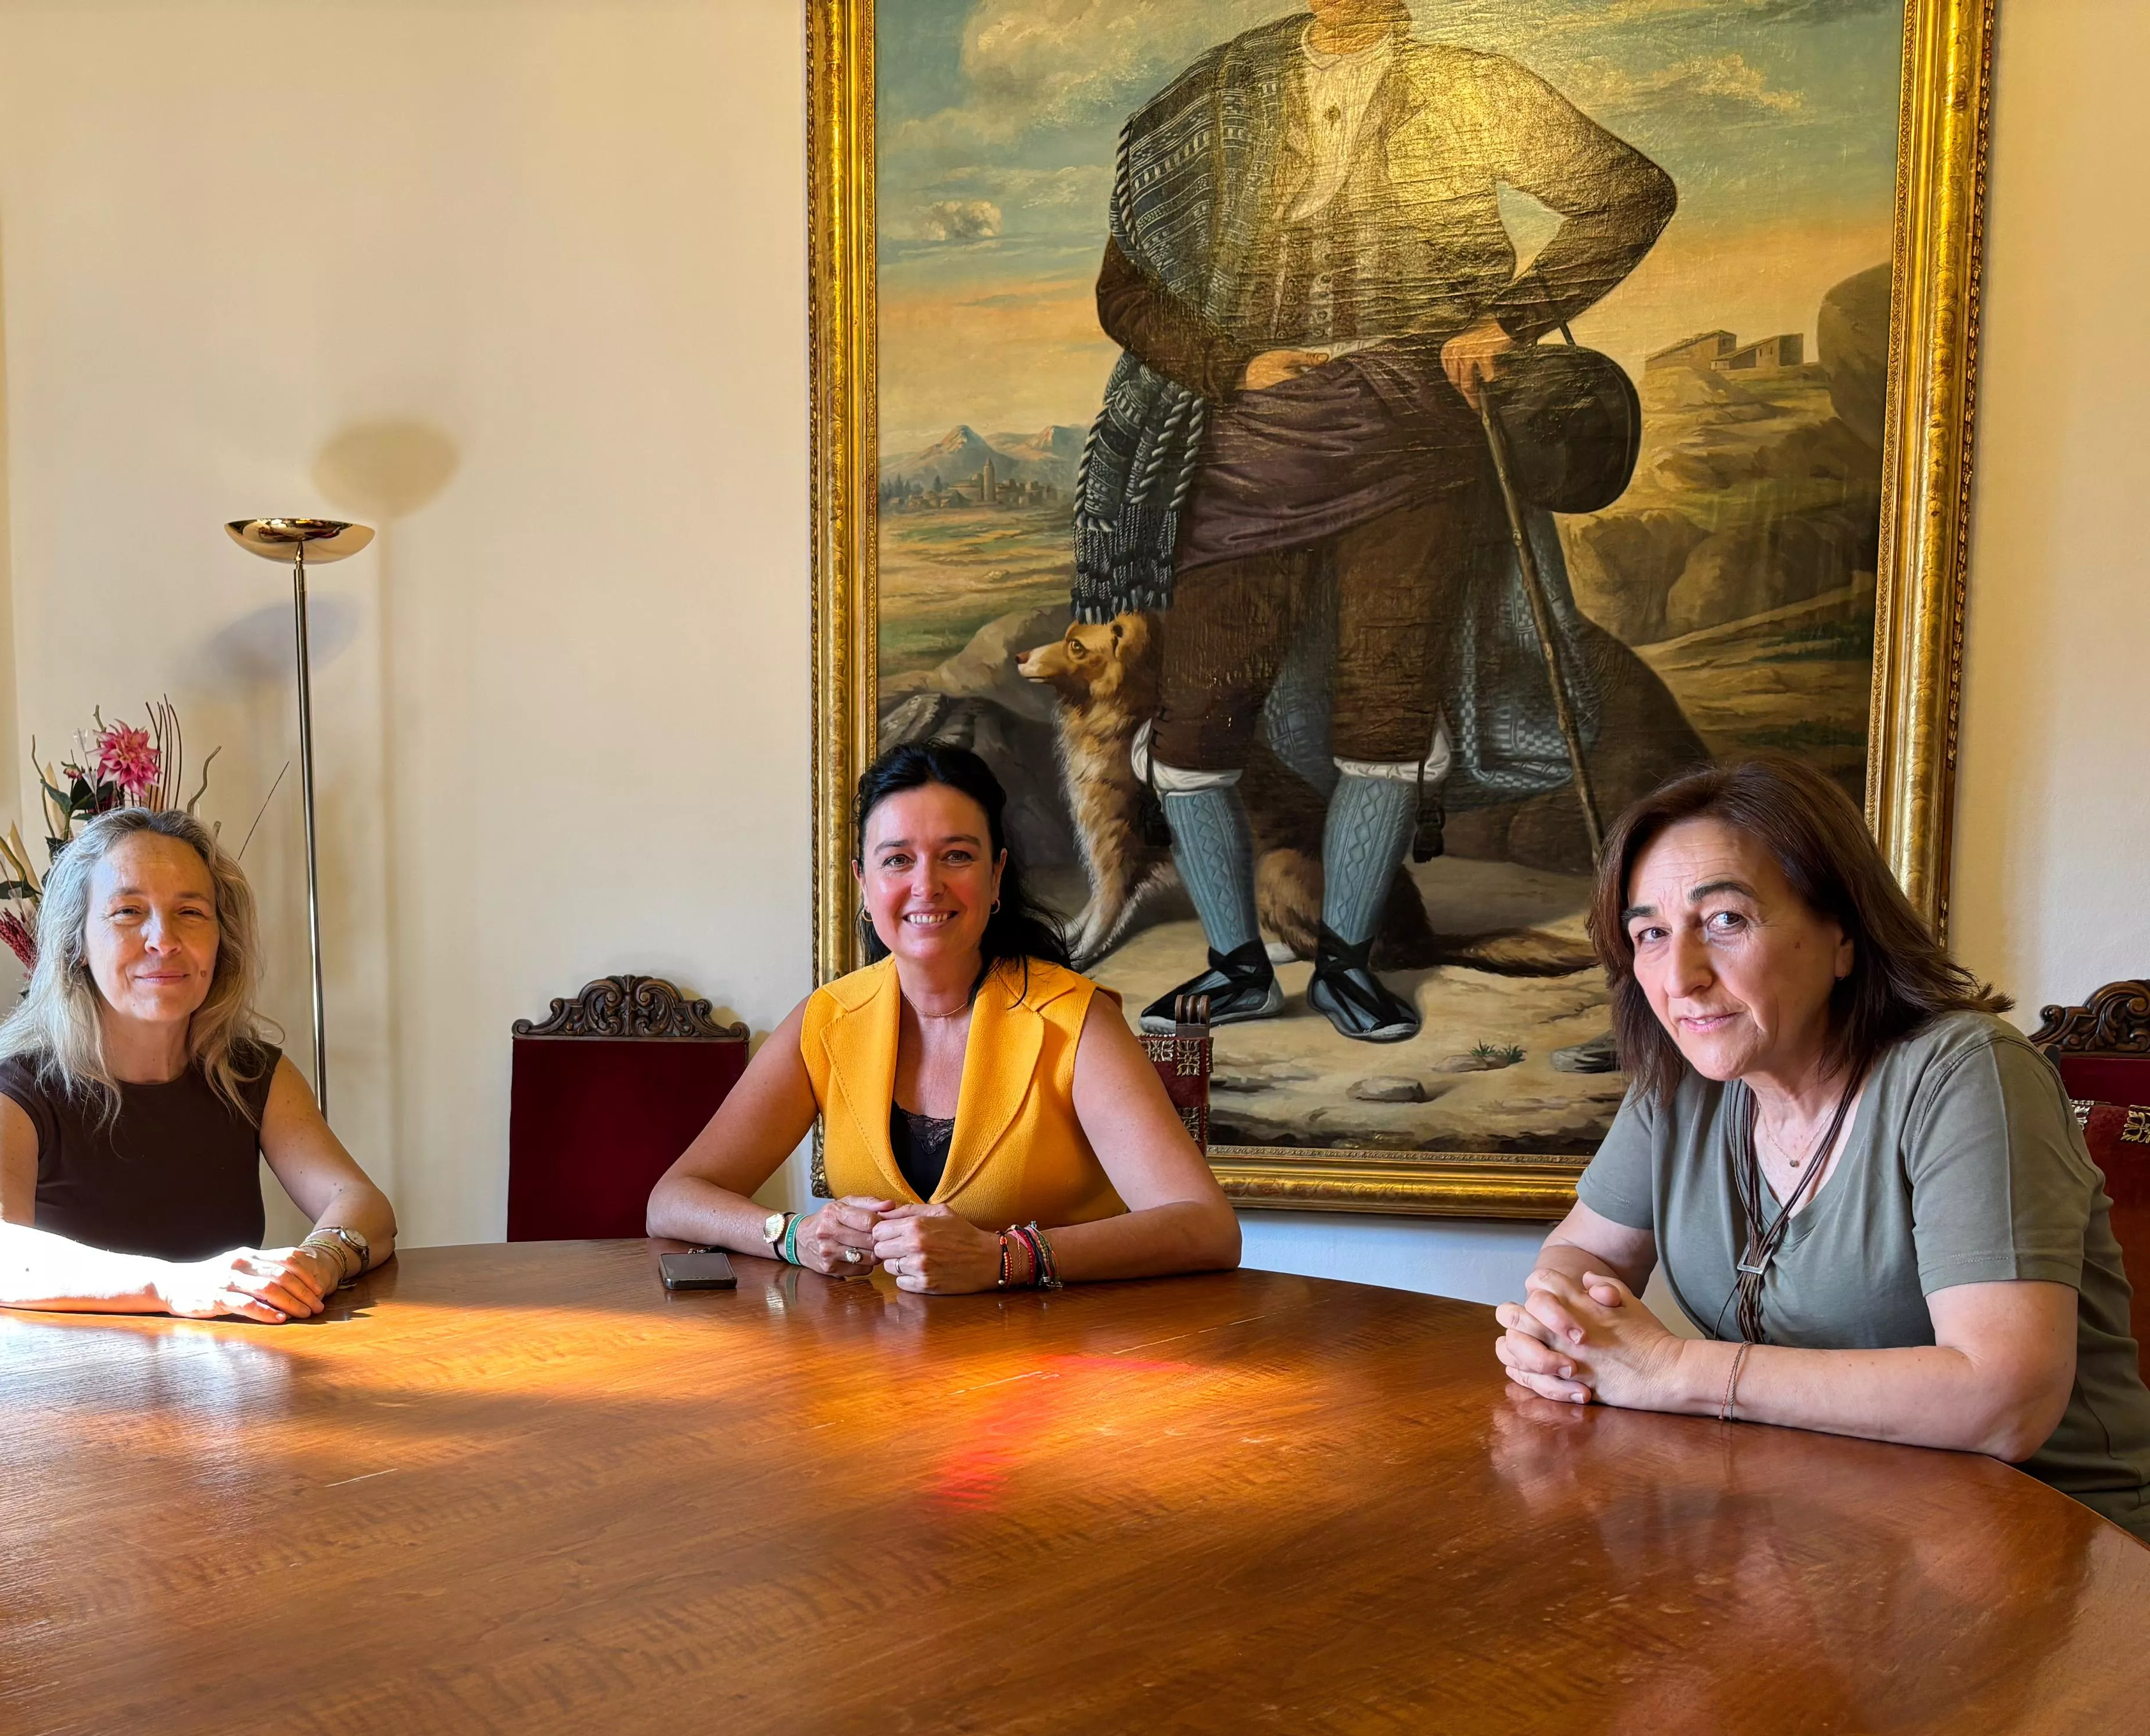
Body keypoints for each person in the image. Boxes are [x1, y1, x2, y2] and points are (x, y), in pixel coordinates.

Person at [1077, 0, 1675, 1041]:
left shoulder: (1477, 87)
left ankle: (1349, 962)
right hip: (1252, 441)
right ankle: (1236, 966)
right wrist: (1228, 367)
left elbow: (1631, 195)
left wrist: (1509, 321)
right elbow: (1126, 288)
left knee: (1389, 711)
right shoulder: (1212, 98)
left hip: (1418, 441)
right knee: (1195, 724)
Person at [1495, 758, 2150, 1534]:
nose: (1680, 977)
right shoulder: (1683, 1083)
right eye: (1651, 934)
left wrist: (1671, 1370)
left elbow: (2005, 1403)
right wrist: (1564, 1335)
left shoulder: (1970, 1075)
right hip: (1809, 1522)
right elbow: (1584, 1255)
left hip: (2055, 1545)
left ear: (1843, 935)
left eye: (1726, 920)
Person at [648, 743, 1240, 1291]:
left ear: (994, 877)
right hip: (876, 1373)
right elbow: (673, 1199)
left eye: (955, 856)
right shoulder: (827, 1019)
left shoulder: (1075, 1020)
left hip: (1061, 1375)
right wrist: (791, 1235)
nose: (925, 885)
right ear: (863, 883)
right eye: (897, 860)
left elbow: (1207, 1229)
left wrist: (1006, 1258)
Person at [0, 806, 395, 1321]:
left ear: (220, 941)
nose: (163, 940)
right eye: (128, 912)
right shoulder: (10, 1091)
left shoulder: (251, 1073)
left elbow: (364, 1204)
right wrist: (176, 1286)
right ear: (78, 944)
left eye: (191, 912)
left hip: (227, 1375)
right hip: (69, 1387)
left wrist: (320, 1260)